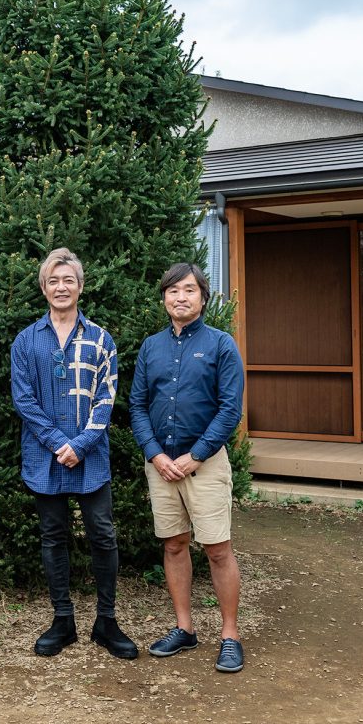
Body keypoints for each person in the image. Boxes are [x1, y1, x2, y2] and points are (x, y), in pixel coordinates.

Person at [11, 247, 138, 660]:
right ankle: (62, 619)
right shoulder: (26, 341)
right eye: (53, 280)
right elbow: (24, 400)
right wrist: (56, 443)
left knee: (102, 534)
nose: (61, 287)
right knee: (53, 537)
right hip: (44, 457)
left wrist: (80, 444)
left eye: (68, 280)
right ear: (44, 288)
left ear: (80, 286)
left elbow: (107, 397)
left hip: (91, 457)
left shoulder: (101, 339)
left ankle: (107, 620)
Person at [129, 262, 245, 673]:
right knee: (174, 544)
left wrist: (196, 455)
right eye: (174, 290)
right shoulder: (150, 347)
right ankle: (184, 628)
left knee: (217, 549)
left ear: (202, 297)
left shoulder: (221, 345)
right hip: (160, 467)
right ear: (164, 297)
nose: (181, 297)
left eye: (190, 290)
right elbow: (138, 406)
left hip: (206, 465)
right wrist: (156, 455)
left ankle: (229, 635)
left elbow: (230, 409)